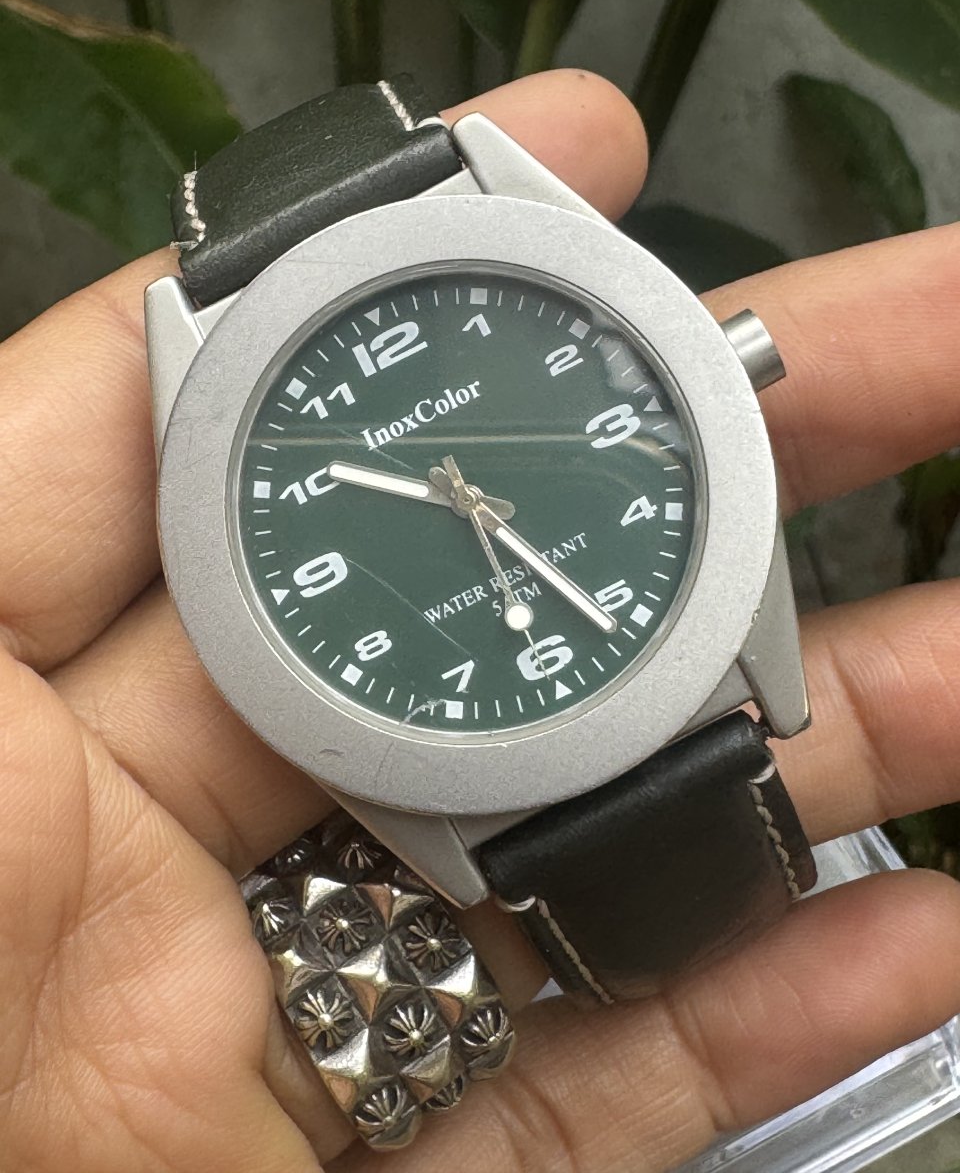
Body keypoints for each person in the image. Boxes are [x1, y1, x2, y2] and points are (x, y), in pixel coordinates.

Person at [2, 69, 960, 1173]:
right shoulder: (243, 343)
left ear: (718, 366)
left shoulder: (475, 197)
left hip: (646, 699)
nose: (459, 497)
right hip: (506, 794)